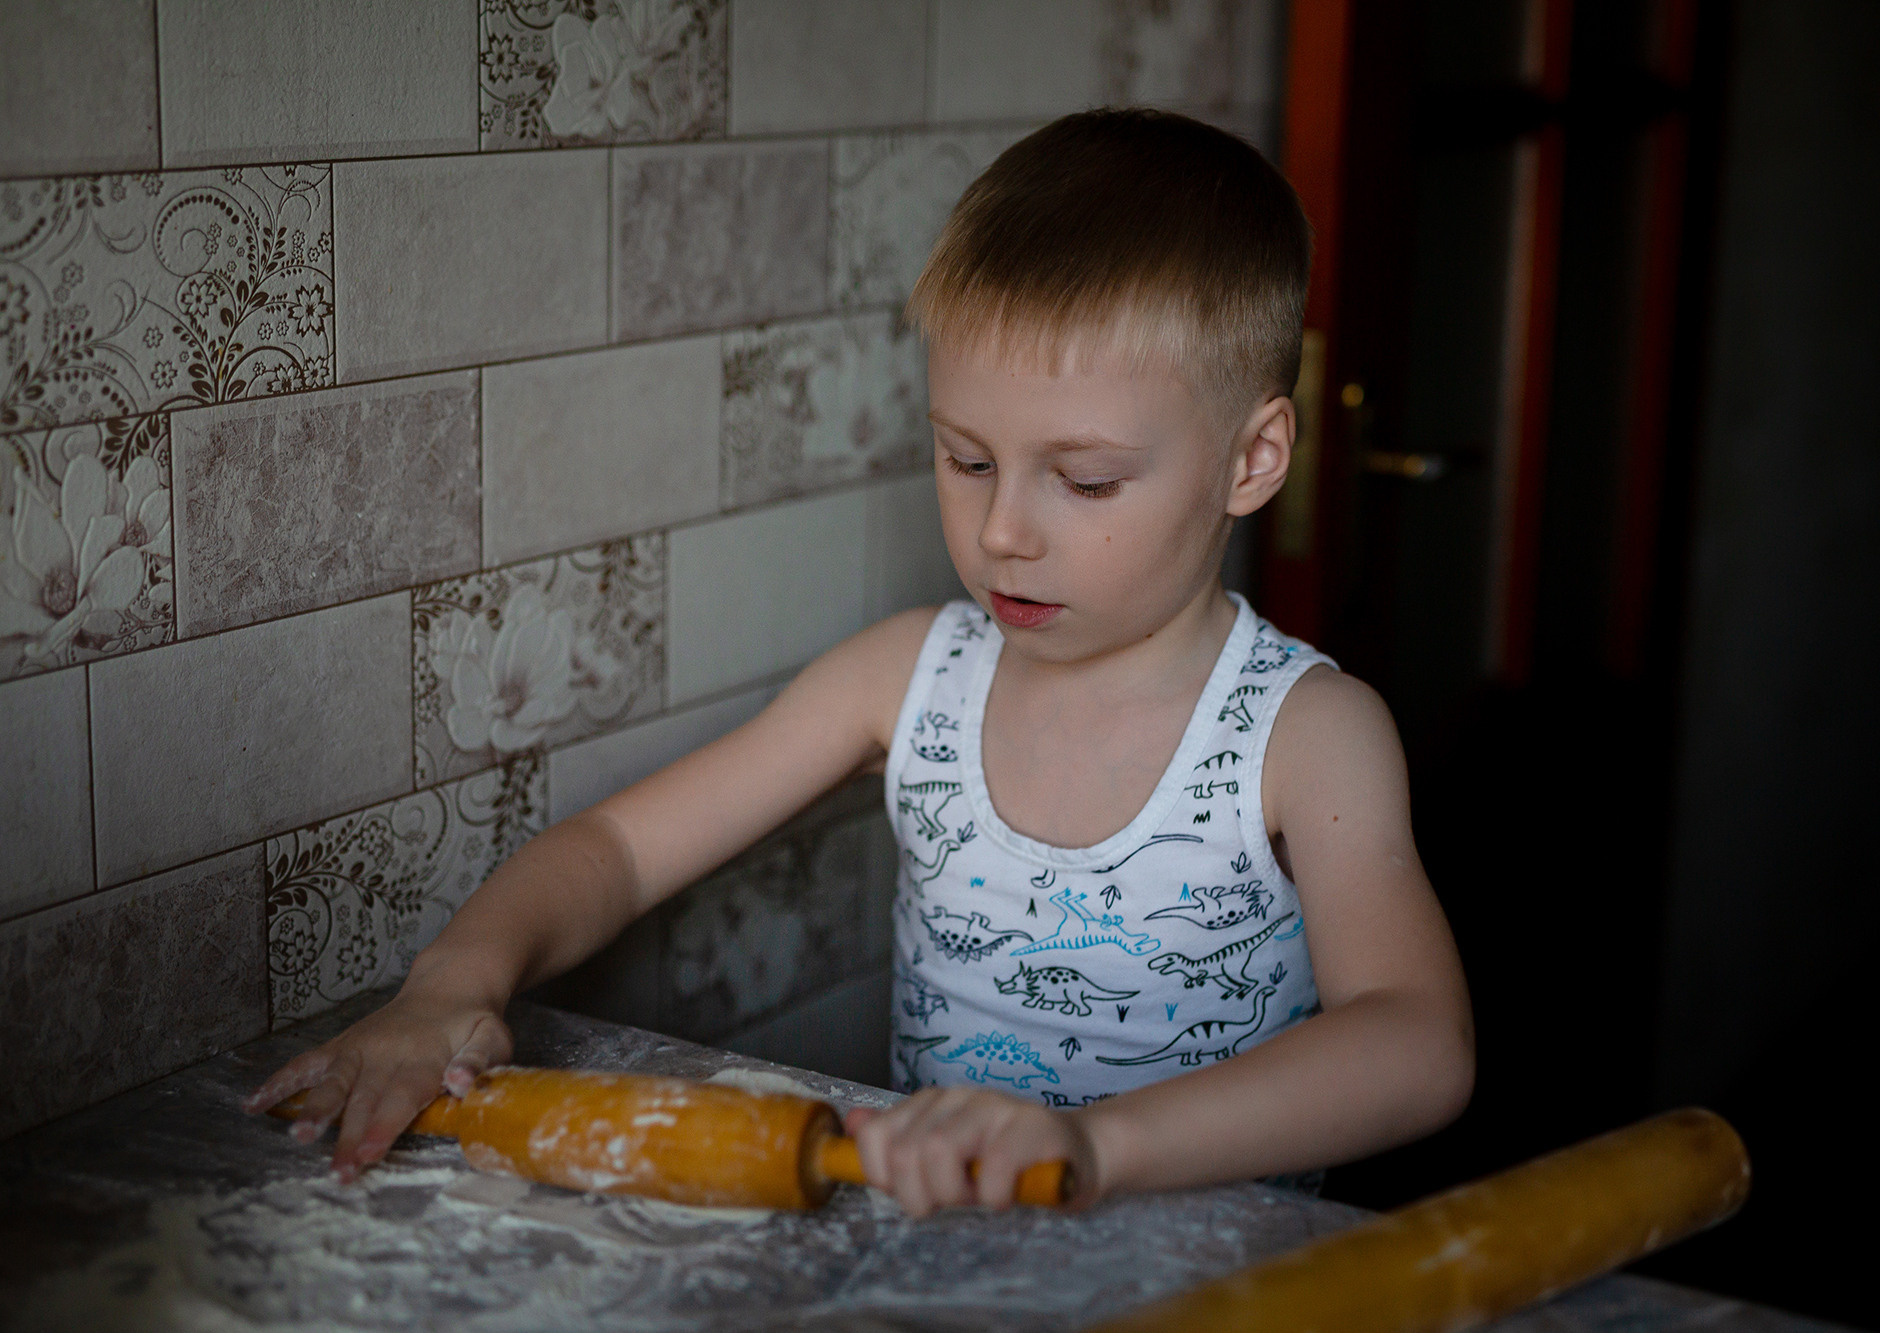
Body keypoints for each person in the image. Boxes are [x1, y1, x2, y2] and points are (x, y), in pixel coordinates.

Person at [246, 108, 1474, 1218]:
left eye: (1085, 479)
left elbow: (1416, 1042)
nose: (1003, 530)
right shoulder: (911, 678)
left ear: (1251, 461)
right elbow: (617, 853)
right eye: (966, 458)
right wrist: (453, 979)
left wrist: (1093, 1147)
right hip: (941, 1272)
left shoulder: (1304, 733)